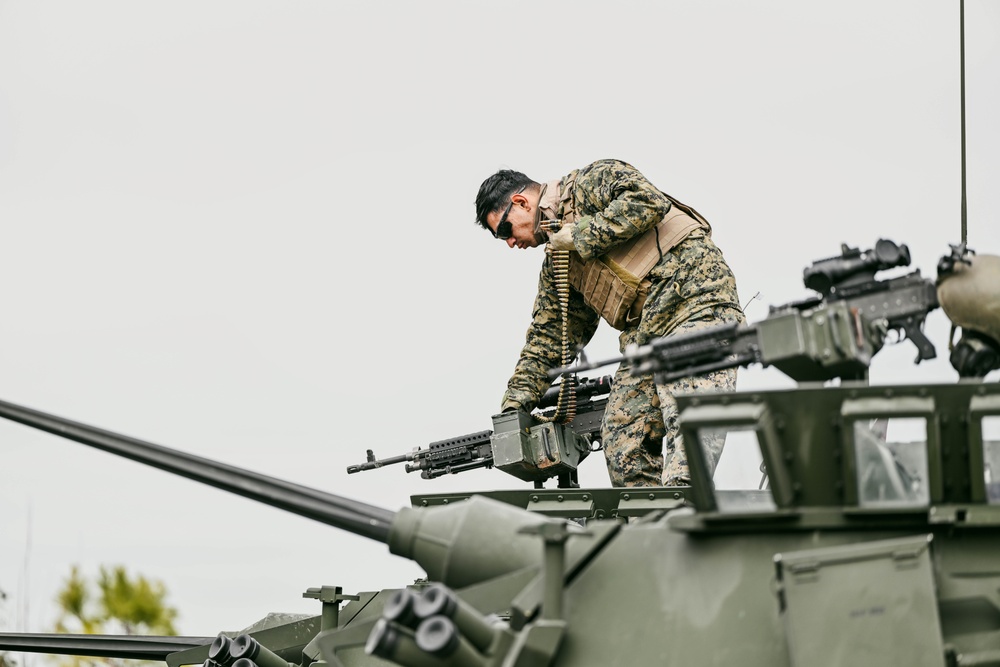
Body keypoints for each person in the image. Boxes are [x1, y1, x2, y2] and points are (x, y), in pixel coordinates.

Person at [474, 159, 744, 487]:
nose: (510, 243)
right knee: (621, 440)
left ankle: (685, 513)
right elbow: (548, 338)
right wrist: (515, 404)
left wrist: (580, 235)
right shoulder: (559, 263)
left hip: (697, 303)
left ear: (521, 203)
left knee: (688, 416)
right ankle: (654, 527)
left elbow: (647, 201)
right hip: (647, 337)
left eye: (505, 230)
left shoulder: (590, 182)